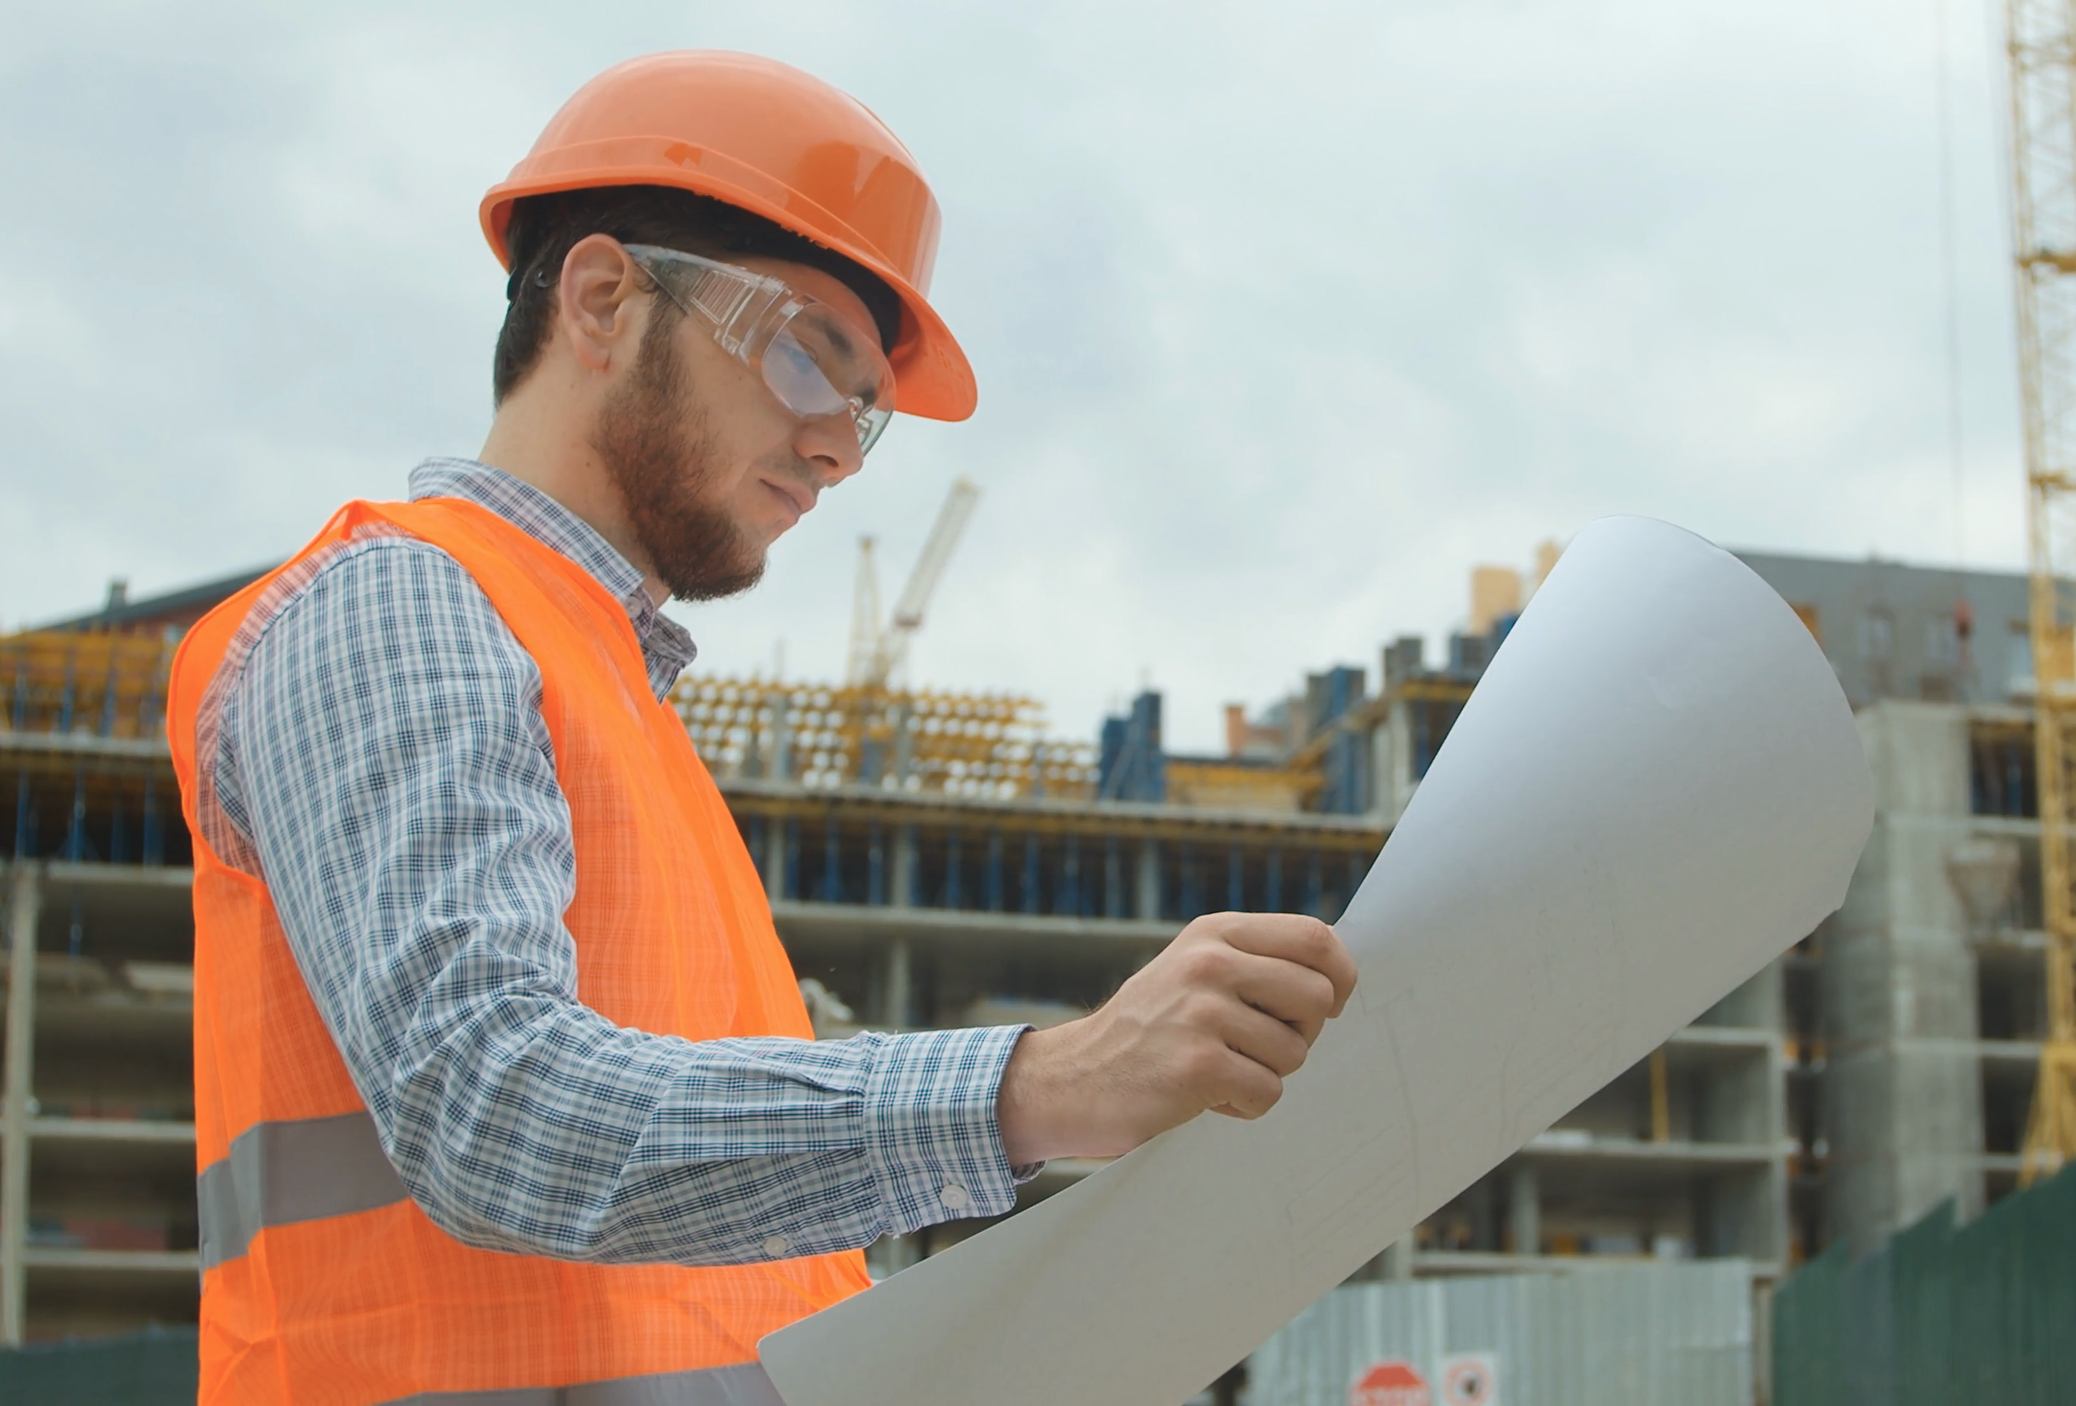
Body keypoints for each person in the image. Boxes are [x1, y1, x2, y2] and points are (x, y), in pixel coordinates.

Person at [166, 50, 1358, 1405]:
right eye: (805, 352)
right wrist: (1050, 1079)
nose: (840, 445)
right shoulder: (401, 600)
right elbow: (489, 1105)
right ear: (604, 296)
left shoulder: (616, 704)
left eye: (866, 409)